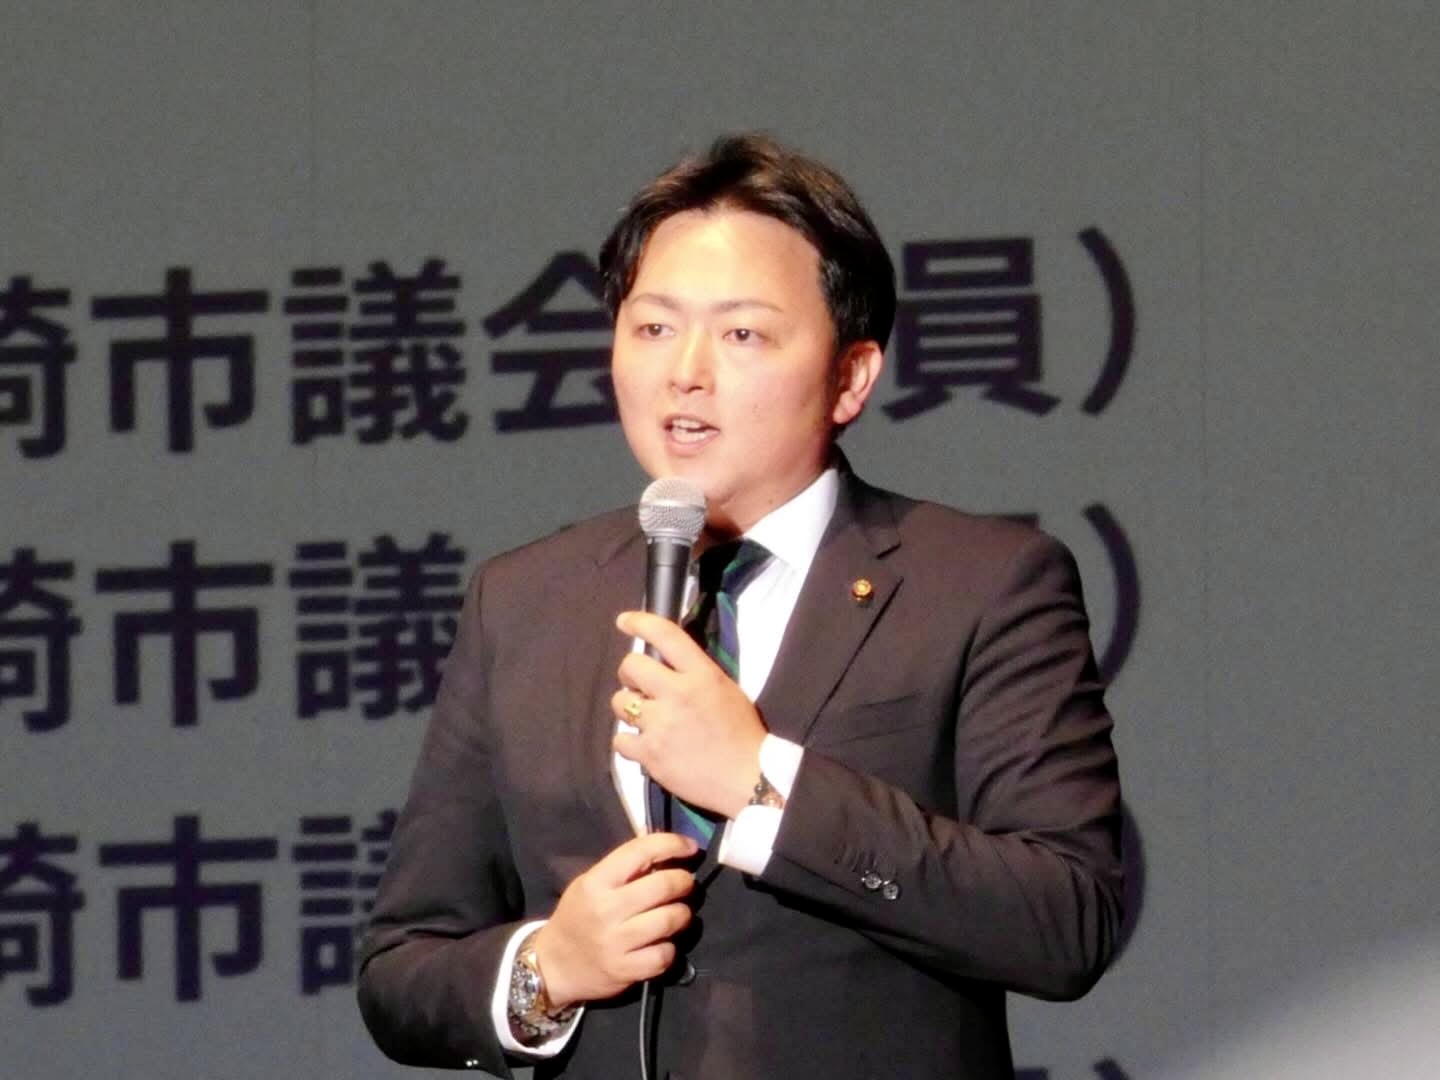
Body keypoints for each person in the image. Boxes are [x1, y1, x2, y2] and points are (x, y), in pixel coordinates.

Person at [357, 133, 1123, 1079]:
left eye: (742, 335)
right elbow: (402, 968)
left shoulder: (982, 583)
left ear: (850, 376)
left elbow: (1065, 920)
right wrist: (546, 969)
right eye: (652, 328)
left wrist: (764, 785)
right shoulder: (524, 602)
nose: (686, 371)